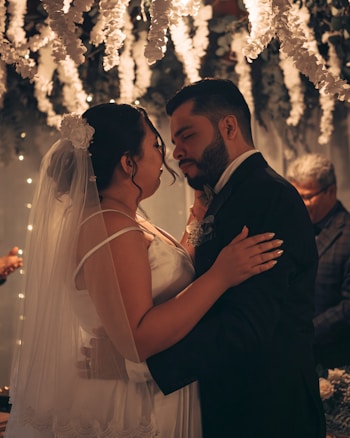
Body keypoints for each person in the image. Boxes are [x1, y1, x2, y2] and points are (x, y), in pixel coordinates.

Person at [5, 103, 283, 437]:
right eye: (156, 145)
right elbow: (138, 338)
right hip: (134, 404)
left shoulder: (119, 218)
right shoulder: (110, 228)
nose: (166, 157)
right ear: (128, 162)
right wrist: (220, 276)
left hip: (147, 390)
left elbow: (160, 279)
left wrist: (196, 223)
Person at [143, 78, 327, 438]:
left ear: (228, 126)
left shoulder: (265, 195)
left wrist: (149, 368)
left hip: (268, 412)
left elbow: (250, 323)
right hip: (242, 405)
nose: (176, 151)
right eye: (174, 141)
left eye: (187, 136)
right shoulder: (231, 193)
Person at [286, 153, 350, 369]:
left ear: (331, 190)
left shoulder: (347, 233)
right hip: (292, 360)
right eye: (296, 196)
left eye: (307, 196)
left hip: (334, 360)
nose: (300, 204)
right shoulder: (290, 229)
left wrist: (304, 333)